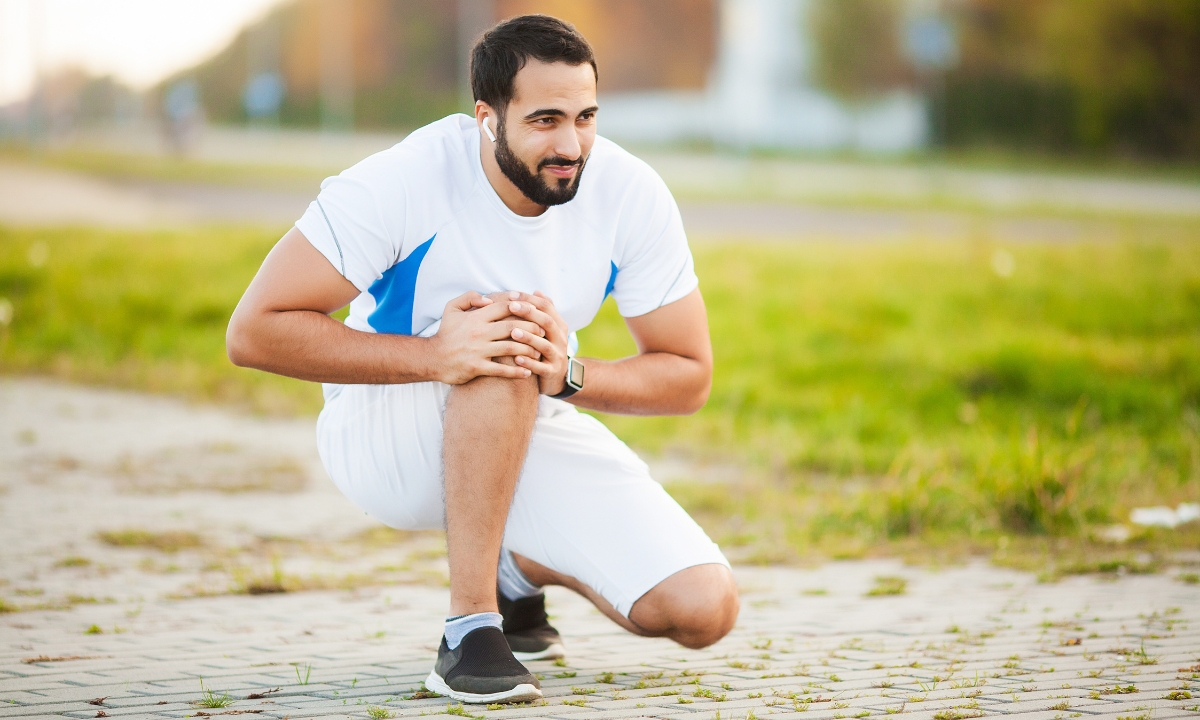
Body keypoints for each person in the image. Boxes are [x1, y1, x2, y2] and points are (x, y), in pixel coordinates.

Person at [226, 14, 738, 705]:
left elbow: (688, 374)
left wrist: (570, 376)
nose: (571, 144)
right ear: (486, 117)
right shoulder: (402, 180)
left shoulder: (629, 192)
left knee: (703, 608)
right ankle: (469, 633)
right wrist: (438, 355)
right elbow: (253, 331)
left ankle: (516, 572)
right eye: (545, 120)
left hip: (519, 410)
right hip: (383, 430)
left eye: (585, 117)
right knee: (506, 334)